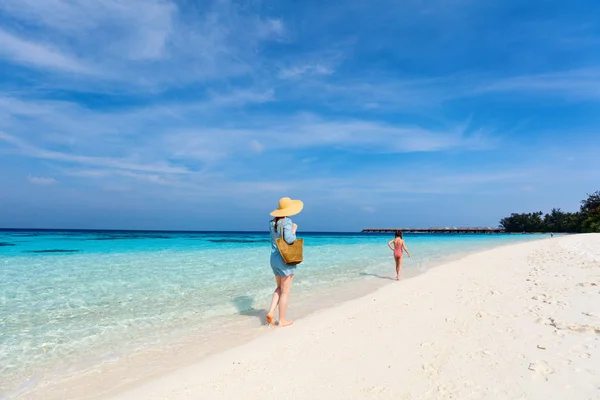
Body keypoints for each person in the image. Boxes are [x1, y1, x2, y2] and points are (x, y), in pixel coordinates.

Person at [266, 197, 304, 327]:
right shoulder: (287, 221)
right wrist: (293, 229)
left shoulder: (272, 223)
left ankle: (271, 311)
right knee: (285, 291)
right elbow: (289, 239)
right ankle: (282, 320)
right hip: (285, 260)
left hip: (274, 259)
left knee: (278, 288)